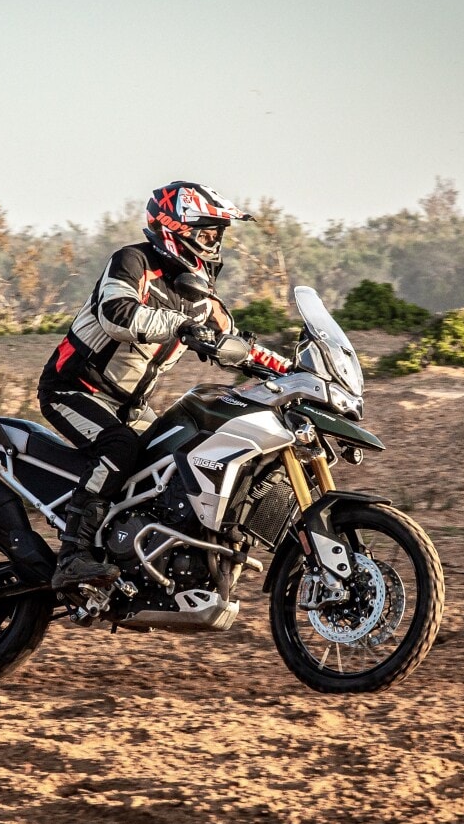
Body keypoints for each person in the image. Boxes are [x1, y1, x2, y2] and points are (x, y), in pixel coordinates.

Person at [38, 181, 293, 589]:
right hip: (74, 389)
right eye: (206, 233)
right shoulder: (132, 262)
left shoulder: (200, 297)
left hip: (130, 406)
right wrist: (181, 325)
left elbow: (241, 347)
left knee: (179, 453)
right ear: (175, 229)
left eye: (217, 235)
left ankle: (139, 554)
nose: (213, 243)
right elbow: (115, 315)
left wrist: (294, 373)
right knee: (119, 447)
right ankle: (73, 555)